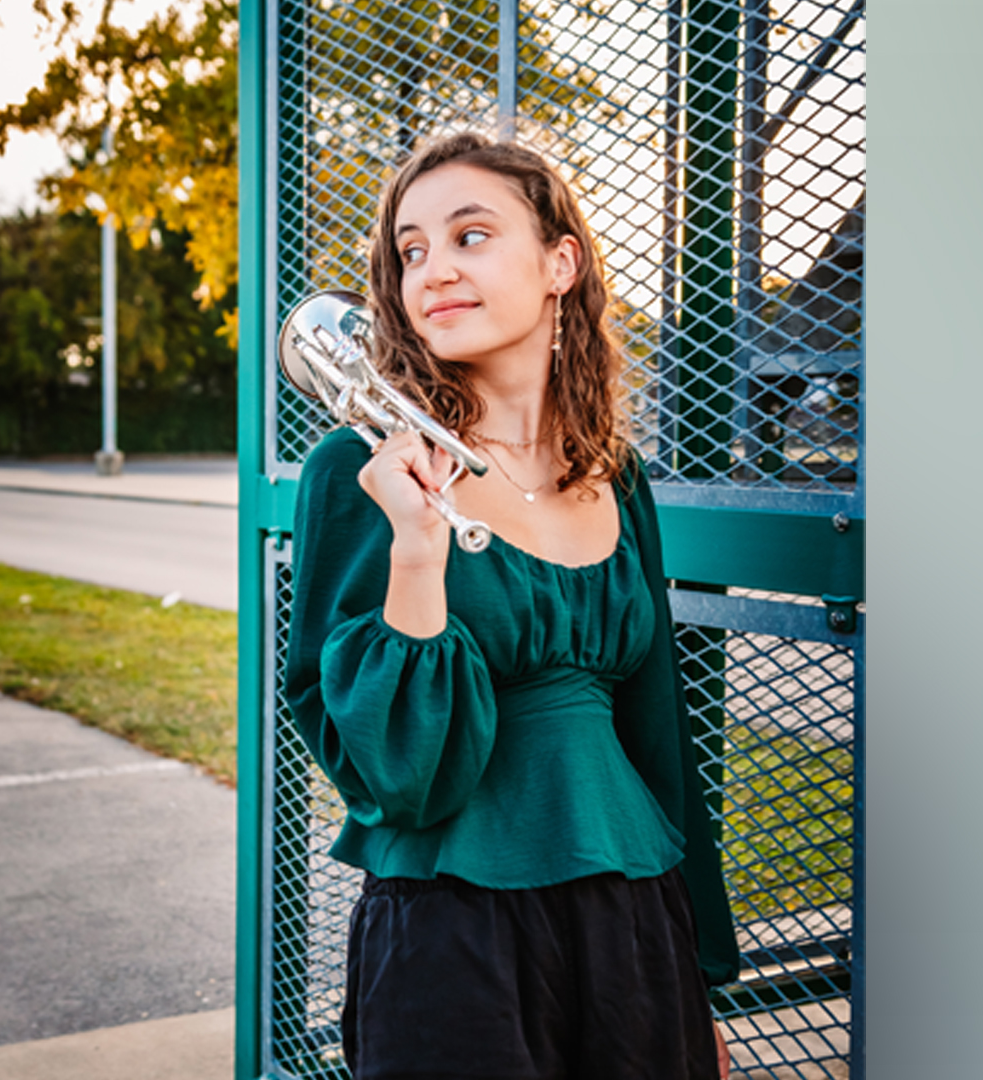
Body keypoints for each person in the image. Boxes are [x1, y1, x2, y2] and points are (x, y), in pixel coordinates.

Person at [283, 131, 741, 1079]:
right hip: (454, 926)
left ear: (559, 263)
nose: (433, 272)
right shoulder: (363, 470)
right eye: (410, 252)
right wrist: (418, 548)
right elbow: (395, 777)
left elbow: (656, 729)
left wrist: (696, 977)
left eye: (470, 236)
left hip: (635, 914)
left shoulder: (619, 475)